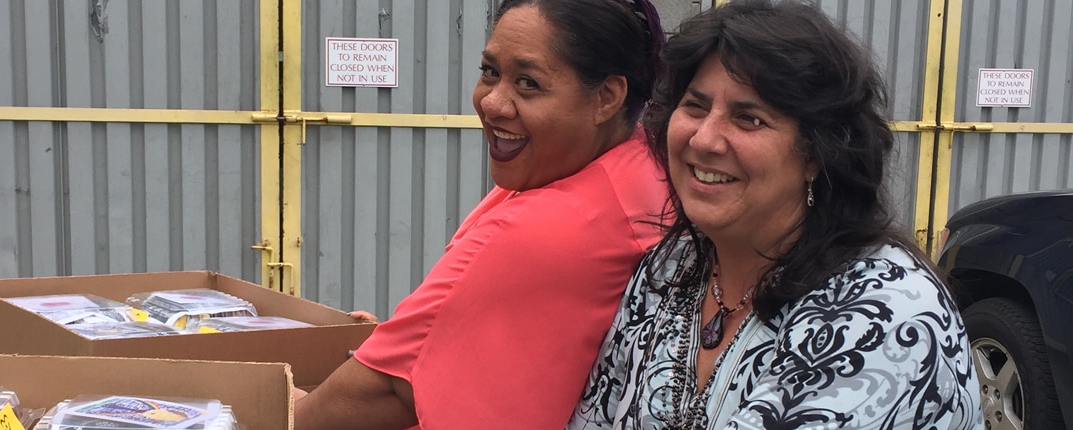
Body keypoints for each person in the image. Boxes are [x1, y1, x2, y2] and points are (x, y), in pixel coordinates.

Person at [567, 1, 983, 429]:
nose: (705, 138)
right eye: (695, 106)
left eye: (749, 119)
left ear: (817, 154)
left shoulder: (885, 312)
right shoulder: (670, 268)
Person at [294, 0, 671, 428]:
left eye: (528, 83)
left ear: (607, 97)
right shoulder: (642, 167)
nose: (492, 103)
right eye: (490, 71)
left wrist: (272, 406)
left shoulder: (554, 222)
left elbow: (391, 387)